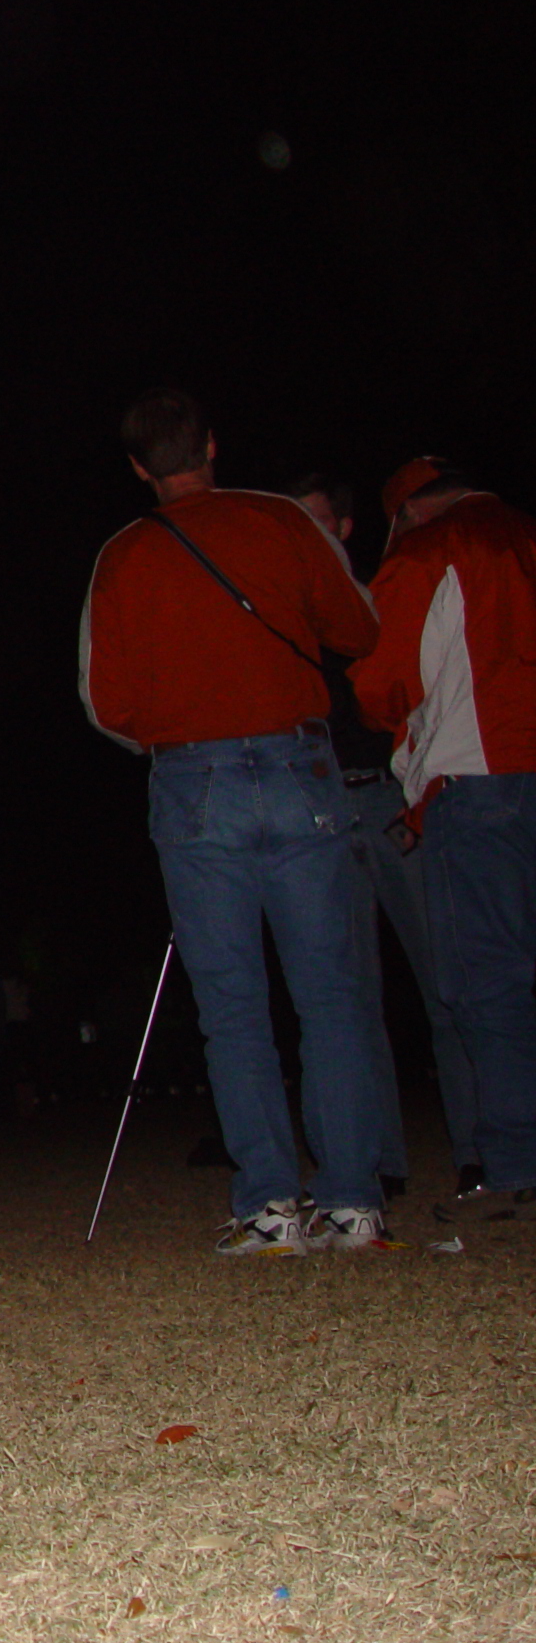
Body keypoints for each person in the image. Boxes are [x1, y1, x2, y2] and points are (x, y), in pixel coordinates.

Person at [80, 390, 384, 1255]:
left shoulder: (127, 553)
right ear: (213, 444)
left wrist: (184, 724)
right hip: (301, 768)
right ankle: (354, 1201)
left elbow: (111, 700)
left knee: (233, 1007)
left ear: (140, 469)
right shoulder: (283, 521)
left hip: (196, 780)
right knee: (331, 996)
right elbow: (357, 629)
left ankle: (270, 1207)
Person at [350, 459, 536, 1225]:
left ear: (403, 514)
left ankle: (516, 1163)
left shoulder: (429, 551)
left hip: (478, 779)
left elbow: (378, 684)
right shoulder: (523, 534)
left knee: (485, 981)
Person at [289, 471, 466, 1199]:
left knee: (449, 981)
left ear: (346, 526)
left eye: (318, 522)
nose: (308, 539)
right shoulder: (282, 614)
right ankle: (371, 1165)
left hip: (394, 802)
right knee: (344, 997)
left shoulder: (380, 594)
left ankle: (486, 1157)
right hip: (323, 814)